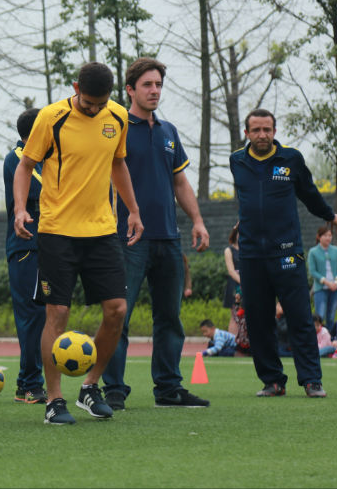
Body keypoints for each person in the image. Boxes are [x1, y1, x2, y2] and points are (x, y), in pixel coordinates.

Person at [13, 61, 143, 425]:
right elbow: (25, 165)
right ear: (75, 89)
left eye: (100, 104)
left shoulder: (117, 116)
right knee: (57, 313)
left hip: (102, 231)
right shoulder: (51, 118)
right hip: (57, 231)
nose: (94, 109)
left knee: (117, 310)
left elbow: (118, 164)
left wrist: (133, 210)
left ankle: (90, 387)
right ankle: (54, 400)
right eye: (88, 103)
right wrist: (20, 209)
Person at [99, 57, 210, 411]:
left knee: (170, 317)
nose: (154, 91)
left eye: (158, 85)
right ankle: (113, 388)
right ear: (130, 90)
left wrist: (197, 221)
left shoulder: (168, 132)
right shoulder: (114, 128)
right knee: (119, 315)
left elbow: (180, 182)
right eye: (147, 84)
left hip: (168, 239)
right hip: (126, 239)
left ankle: (168, 388)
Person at [230, 108, 337, 398]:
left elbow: (309, 193)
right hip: (251, 255)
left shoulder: (291, 159)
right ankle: (272, 381)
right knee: (258, 321)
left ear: (274, 131)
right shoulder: (237, 161)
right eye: (256, 130)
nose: (262, 135)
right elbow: (249, 200)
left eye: (267, 130)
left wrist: (328, 214)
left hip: (287, 253)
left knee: (300, 317)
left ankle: (311, 380)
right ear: (246, 133)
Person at [3, 107, 47, 404]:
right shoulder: (17, 158)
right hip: (26, 249)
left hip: (49, 246)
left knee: (46, 314)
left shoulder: (45, 159)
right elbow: (46, 190)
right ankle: (29, 383)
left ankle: (30, 381)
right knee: (32, 315)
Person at [307, 225, 337, 332]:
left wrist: (336, 281)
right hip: (321, 288)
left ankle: (329, 337)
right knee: (320, 315)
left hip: (335, 288)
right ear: (319, 237)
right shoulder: (313, 252)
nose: (328, 238)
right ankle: (317, 338)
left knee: (331, 316)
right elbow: (313, 271)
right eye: (325, 235)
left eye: (330, 235)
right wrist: (327, 282)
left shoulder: (336, 250)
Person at [223, 224, 242, 335]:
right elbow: (231, 271)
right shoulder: (228, 250)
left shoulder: (248, 250)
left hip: (249, 283)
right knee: (235, 315)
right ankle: (233, 342)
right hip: (235, 285)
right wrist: (243, 282)